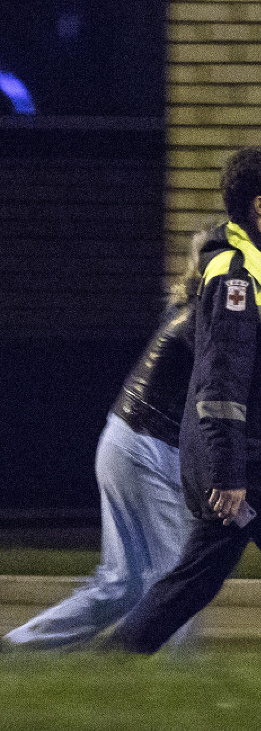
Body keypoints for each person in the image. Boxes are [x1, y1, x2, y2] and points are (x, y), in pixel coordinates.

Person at [103, 147, 261, 654]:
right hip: (254, 466)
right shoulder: (234, 277)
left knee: (207, 582)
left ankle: (116, 658)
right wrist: (228, 475)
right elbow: (220, 385)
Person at [3, 254, 203, 651]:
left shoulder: (190, 313)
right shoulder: (200, 323)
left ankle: (17, 647)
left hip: (126, 442)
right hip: (147, 449)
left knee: (122, 585)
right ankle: (177, 683)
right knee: (176, 581)